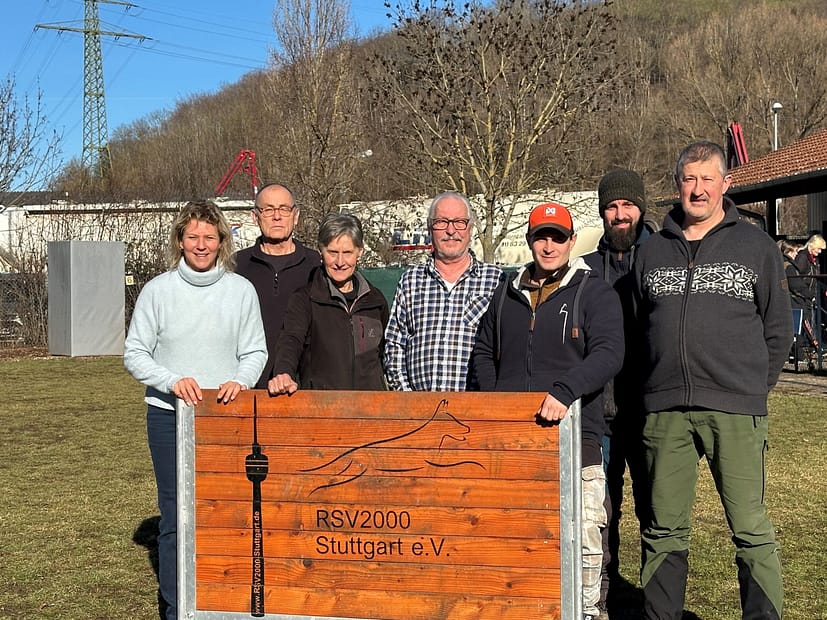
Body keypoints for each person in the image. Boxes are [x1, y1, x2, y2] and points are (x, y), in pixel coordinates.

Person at [632, 141, 791, 619]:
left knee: (749, 527)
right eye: (689, 179)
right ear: (677, 184)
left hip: (735, 408)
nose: (698, 189)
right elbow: (640, 328)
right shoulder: (651, 250)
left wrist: (751, 387)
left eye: (707, 179)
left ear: (726, 184)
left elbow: (778, 329)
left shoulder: (755, 247)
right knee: (663, 529)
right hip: (666, 412)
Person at [472, 202, 624, 620]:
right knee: (514, 543)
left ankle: (588, 613)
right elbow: (484, 350)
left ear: (572, 242)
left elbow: (609, 353)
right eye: (541, 236)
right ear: (530, 240)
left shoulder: (593, 292)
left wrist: (565, 391)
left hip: (576, 441)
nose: (549, 245)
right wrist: (498, 399)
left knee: (585, 542)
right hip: (513, 445)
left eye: (558, 237)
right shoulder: (506, 293)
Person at [124, 200, 267, 620]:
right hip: (169, 418)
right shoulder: (158, 291)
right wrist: (171, 381)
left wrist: (240, 381)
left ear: (222, 240)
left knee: (226, 512)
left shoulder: (240, 291)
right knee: (176, 516)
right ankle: (178, 608)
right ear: (180, 241)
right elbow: (135, 353)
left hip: (224, 417)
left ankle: (225, 604)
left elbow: (255, 351)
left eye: (209, 237)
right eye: (192, 237)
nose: (201, 245)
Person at [582, 168, 655, 609]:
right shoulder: (586, 271)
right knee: (601, 511)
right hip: (601, 412)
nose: (620, 213)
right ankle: (604, 595)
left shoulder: (663, 260)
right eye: (612, 206)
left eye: (628, 205)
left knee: (656, 511)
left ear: (640, 208)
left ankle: (655, 600)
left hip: (651, 411)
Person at [384, 191, 502, 391]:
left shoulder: (496, 280)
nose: (450, 230)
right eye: (441, 222)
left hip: (478, 405)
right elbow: (394, 344)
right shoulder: (411, 281)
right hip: (419, 406)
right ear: (430, 228)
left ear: (471, 228)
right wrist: (406, 398)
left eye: (459, 222)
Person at [268, 213, 389, 393]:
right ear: (321, 252)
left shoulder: (375, 300)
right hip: (322, 405)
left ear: (359, 252)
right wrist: (283, 373)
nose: (340, 262)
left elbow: (385, 353)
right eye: (332, 252)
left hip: (370, 405)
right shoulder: (305, 299)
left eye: (347, 253)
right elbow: (291, 341)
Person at [235, 183, 321, 388]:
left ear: (296, 215)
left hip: (304, 388)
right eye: (268, 210)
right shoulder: (235, 266)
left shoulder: (317, 266)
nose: (277, 216)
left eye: (284, 209)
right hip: (247, 387)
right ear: (255, 217)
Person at [792, 233, 826, 344]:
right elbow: (797, 278)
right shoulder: (802, 257)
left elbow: (816, 278)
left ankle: (812, 345)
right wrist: (807, 293)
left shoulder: (815, 260)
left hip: (810, 295)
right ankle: (810, 345)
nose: (820, 252)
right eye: (818, 248)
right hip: (803, 296)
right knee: (806, 323)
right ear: (812, 245)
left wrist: (822, 290)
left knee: (811, 321)